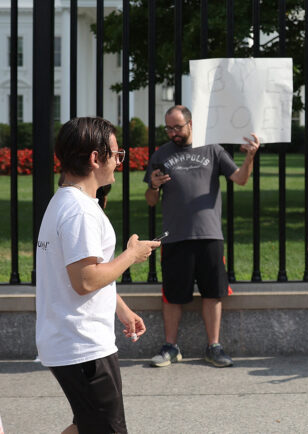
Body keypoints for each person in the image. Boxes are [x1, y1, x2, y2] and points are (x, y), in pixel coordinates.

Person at [36, 117, 159, 434]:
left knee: (88, 425)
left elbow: (78, 272)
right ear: (95, 158)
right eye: (118, 155)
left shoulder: (66, 202)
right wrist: (132, 255)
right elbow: (85, 280)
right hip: (82, 344)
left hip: (73, 340)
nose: (120, 162)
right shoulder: (80, 210)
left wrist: (119, 306)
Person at [145, 105, 261, 368]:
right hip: (175, 236)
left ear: (190, 124)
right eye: (169, 128)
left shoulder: (213, 149)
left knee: (213, 292)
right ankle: (170, 347)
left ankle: (214, 346)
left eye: (178, 127)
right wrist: (153, 185)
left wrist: (250, 157)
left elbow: (240, 179)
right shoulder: (161, 155)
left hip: (209, 234)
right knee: (173, 294)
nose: (173, 133)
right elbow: (151, 201)